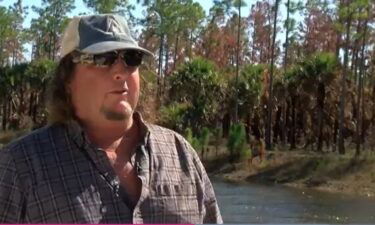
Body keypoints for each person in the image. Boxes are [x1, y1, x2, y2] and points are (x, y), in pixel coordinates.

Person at [0, 14, 222, 224]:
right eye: (103, 58)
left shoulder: (180, 153)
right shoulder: (20, 166)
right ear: (67, 78)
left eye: (130, 58)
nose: (120, 71)